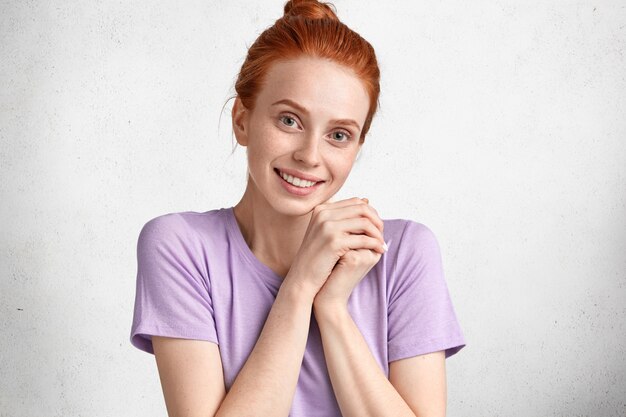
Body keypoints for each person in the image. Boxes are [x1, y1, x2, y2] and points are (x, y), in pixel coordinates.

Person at [129, 0, 466, 416]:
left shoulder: (404, 253)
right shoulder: (181, 247)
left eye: (339, 134)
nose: (310, 155)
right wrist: (300, 286)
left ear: (358, 147)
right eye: (289, 120)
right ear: (242, 119)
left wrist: (332, 308)